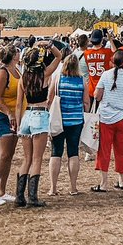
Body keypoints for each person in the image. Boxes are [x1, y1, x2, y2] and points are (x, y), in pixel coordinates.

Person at [14, 43, 62, 208]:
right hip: (40, 115)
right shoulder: (44, 74)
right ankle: (32, 196)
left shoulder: (23, 78)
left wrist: (18, 123)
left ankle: (19, 196)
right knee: (37, 159)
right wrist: (49, 45)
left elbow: (19, 104)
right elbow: (59, 57)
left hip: (26, 116)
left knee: (27, 159)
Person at [92, 48, 123, 192]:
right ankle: (122, 180)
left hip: (106, 116)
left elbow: (97, 95)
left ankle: (103, 183)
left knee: (104, 150)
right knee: (122, 149)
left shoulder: (106, 75)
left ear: (112, 61)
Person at [0, 44, 21, 206]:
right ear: (13, 56)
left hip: (13, 116)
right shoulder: (2, 72)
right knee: (2, 155)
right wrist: (9, 112)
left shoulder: (16, 70)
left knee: (9, 155)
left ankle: (2, 191)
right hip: (1, 115)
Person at [48, 50, 86, 196]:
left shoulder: (57, 77)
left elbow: (50, 97)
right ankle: (73, 187)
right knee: (73, 152)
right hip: (76, 120)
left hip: (59, 119)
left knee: (56, 153)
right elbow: (86, 102)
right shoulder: (82, 80)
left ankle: (53, 187)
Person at [82, 31, 113, 113]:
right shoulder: (107, 52)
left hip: (92, 89)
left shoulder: (86, 53)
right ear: (102, 40)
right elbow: (116, 54)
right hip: (104, 89)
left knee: (92, 117)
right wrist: (110, 39)